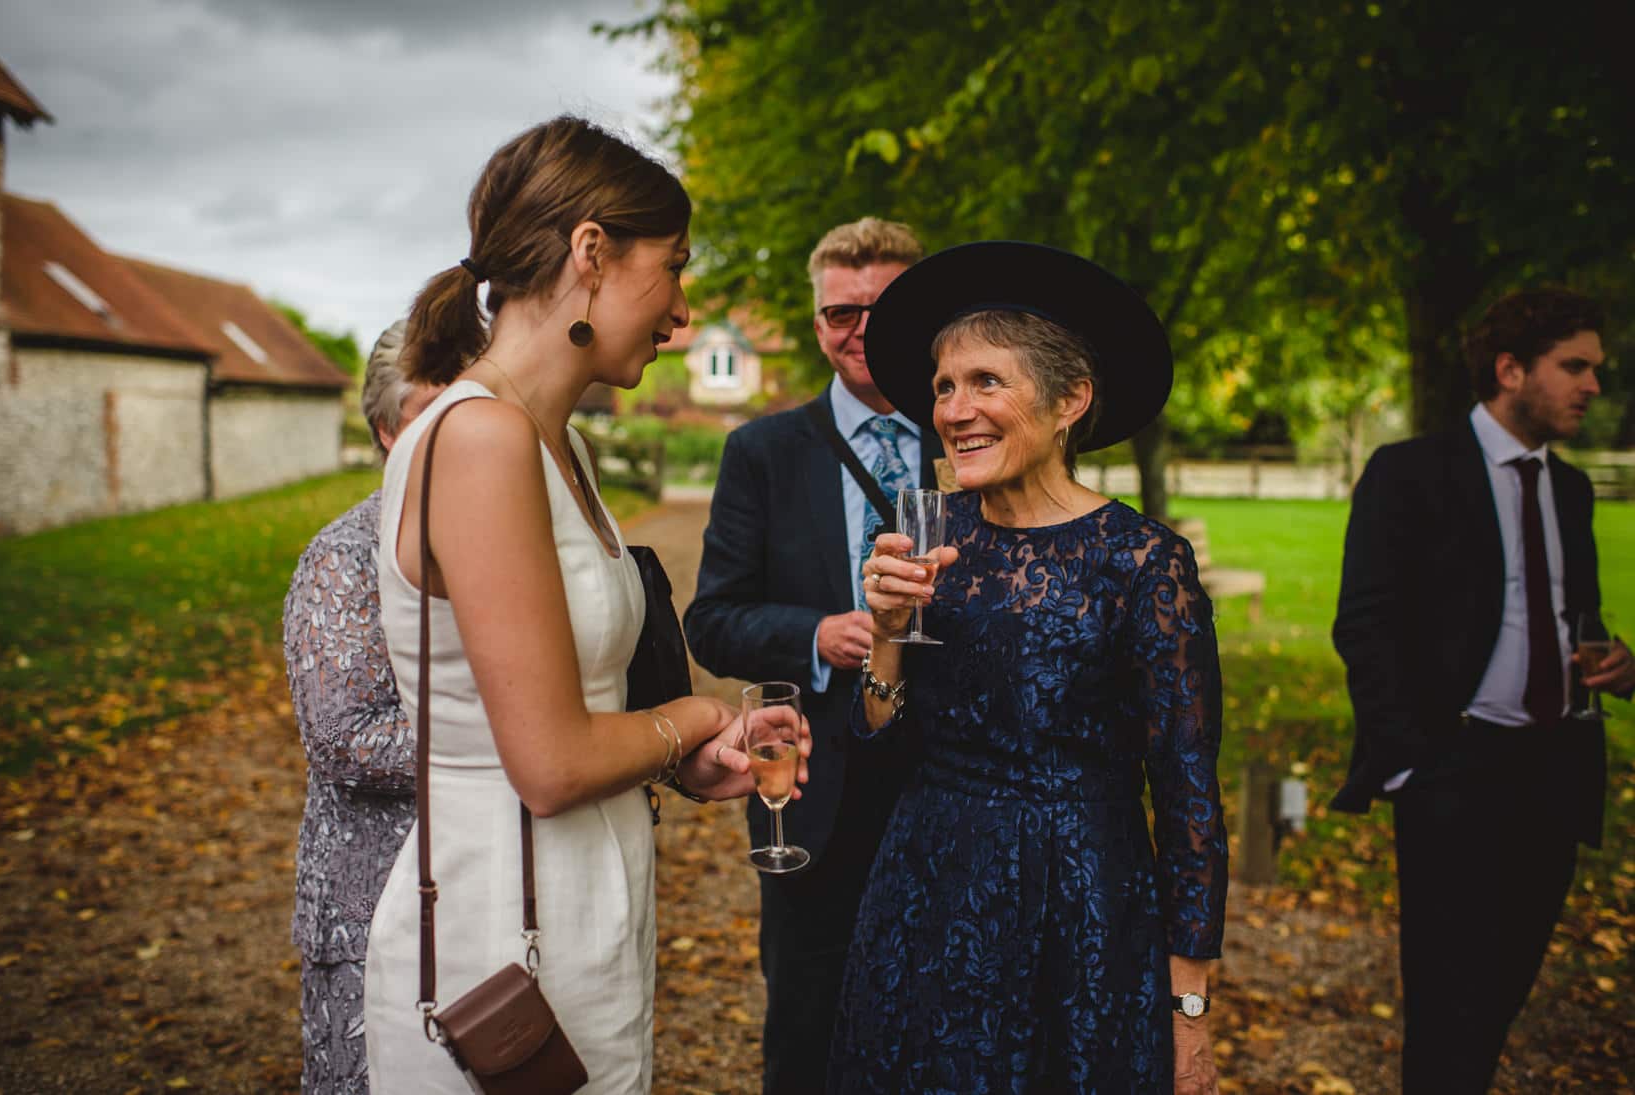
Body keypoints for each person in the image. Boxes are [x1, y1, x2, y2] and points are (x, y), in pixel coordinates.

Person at [361, 116, 809, 1095]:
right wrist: (698, 714)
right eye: (675, 267)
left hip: (579, 922)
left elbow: (581, 710)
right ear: (591, 253)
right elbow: (551, 763)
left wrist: (691, 761)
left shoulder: (557, 444)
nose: (682, 311)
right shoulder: (479, 442)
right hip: (499, 950)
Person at [833, 241, 1227, 1094]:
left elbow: (1190, 795)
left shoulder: (1142, 562)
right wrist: (889, 631)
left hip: (1081, 909)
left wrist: (1188, 1008)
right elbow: (873, 747)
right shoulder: (930, 542)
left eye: (985, 381)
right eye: (942, 385)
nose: (953, 409)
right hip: (925, 893)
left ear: (1068, 401)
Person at [1332, 287, 1634, 1094]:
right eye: (1575, 366)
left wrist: (1619, 666)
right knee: (1445, 1013)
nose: (1594, 386)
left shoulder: (1570, 490)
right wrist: (1410, 767)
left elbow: (1578, 617)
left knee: (1500, 1001)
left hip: (1555, 776)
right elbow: (1364, 623)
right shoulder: (1410, 474)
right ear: (1510, 369)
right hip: (1454, 776)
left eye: (1595, 369)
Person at [684, 217, 941, 1094]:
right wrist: (817, 635)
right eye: (841, 311)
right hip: (813, 791)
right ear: (816, 319)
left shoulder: (974, 435)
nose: (861, 329)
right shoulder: (759, 452)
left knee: (950, 1019)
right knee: (807, 1027)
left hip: (957, 783)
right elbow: (710, 619)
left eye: (885, 308)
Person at [285, 319, 441, 1094]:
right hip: (369, 905)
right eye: (427, 413)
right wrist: (516, 735)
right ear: (386, 431)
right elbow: (346, 741)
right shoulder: (343, 556)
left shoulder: (506, 539)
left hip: (474, 885)